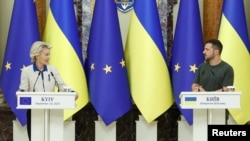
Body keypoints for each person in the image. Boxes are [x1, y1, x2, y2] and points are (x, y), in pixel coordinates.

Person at [18, 41, 78, 141]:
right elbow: (23, 90)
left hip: (52, 111)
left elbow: (62, 86)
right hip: (34, 112)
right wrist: (20, 95)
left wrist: (72, 93)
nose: (49, 57)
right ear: (37, 55)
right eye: (46, 54)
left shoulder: (53, 70)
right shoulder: (27, 71)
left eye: (49, 54)